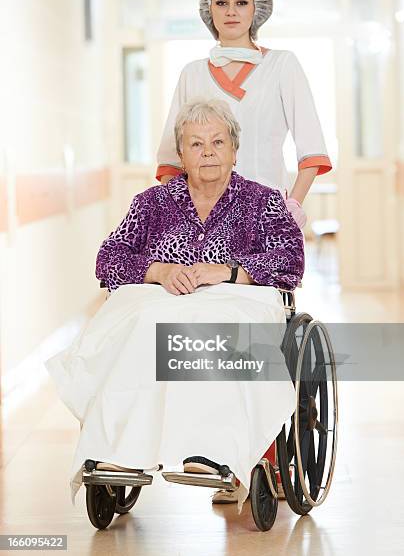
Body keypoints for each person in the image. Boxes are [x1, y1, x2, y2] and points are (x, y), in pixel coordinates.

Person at [45, 99, 304, 514]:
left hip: (234, 300)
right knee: (139, 327)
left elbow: (290, 260)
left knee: (213, 328)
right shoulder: (151, 203)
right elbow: (109, 258)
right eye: (196, 143)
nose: (208, 152)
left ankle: (210, 449)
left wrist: (230, 272)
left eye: (218, 141)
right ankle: (117, 449)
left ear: (235, 149)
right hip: (159, 299)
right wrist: (156, 270)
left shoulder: (264, 202)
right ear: (180, 154)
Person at [156, 0, 332, 229]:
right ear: (209, 10)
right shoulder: (192, 74)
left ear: (255, 9)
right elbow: (171, 160)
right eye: (221, 3)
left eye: (241, 2)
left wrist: (292, 205)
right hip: (207, 218)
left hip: (267, 213)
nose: (231, 11)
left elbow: (312, 150)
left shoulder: (281, 65)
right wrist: (187, 213)